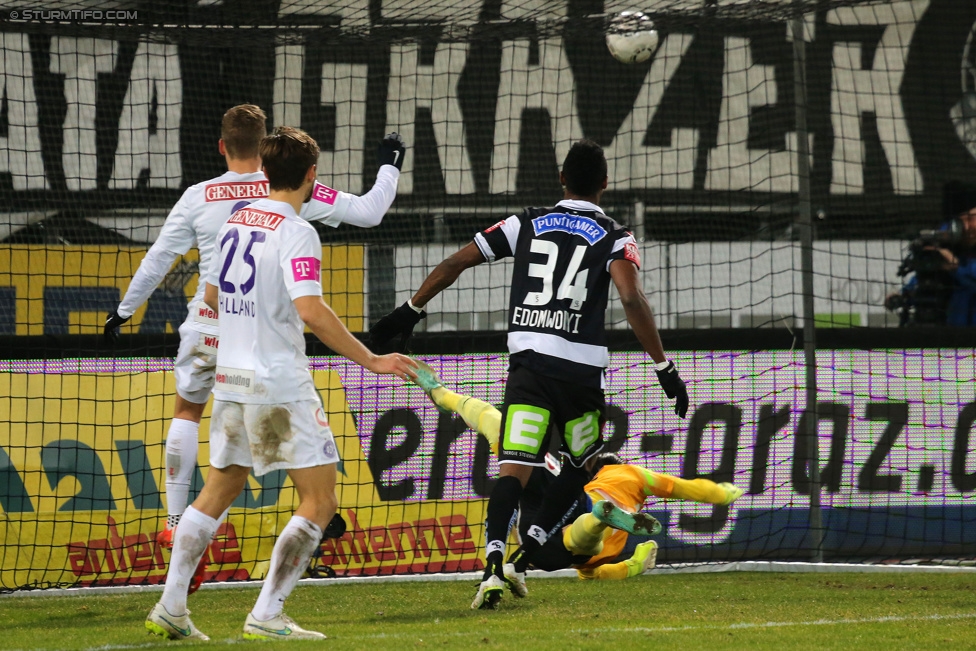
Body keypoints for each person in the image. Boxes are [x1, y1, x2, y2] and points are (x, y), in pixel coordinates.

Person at [368, 139, 690, 610]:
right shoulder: (615, 235)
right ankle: (527, 555)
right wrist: (663, 367)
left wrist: (409, 311)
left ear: (562, 179)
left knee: (514, 471)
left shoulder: (527, 222)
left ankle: (494, 567)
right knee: (583, 462)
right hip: (579, 374)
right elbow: (630, 297)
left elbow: (457, 261)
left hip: (528, 367)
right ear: (604, 184)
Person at [104, 104, 406, 568]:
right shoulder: (292, 192)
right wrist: (390, 165)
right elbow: (368, 213)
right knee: (279, 424)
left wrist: (124, 311)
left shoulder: (199, 196)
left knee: (188, 413)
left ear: (223, 146)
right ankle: (311, 513)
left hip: (212, 324)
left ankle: (173, 519)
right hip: (261, 337)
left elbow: (160, 259)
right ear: (267, 151)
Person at [145, 126, 417, 641]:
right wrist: (370, 359)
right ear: (312, 175)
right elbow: (311, 310)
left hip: (230, 377)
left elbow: (212, 293)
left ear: (265, 172)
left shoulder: (235, 222)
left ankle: (171, 605)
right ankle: (267, 612)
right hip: (279, 383)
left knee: (219, 488)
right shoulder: (297, 231)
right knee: (320, 501)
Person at [408, 360, 742, 584]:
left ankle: (597, 518)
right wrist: (724, 493)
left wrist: (439, 391)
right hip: (578, 503)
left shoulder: (612, 475)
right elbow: (689, 488)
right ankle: (598, 518)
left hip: (549, 484)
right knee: (585, 551)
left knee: (492, 423)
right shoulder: (635, 476)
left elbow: (482, 413)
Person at [886, 181, 976, 326]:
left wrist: (957, 268)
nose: (968, 225)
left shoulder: (958, 262)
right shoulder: (947, 245)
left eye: (972, 218)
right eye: (964, 219)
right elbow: (927, 280)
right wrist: (905, 295)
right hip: (949, 337)